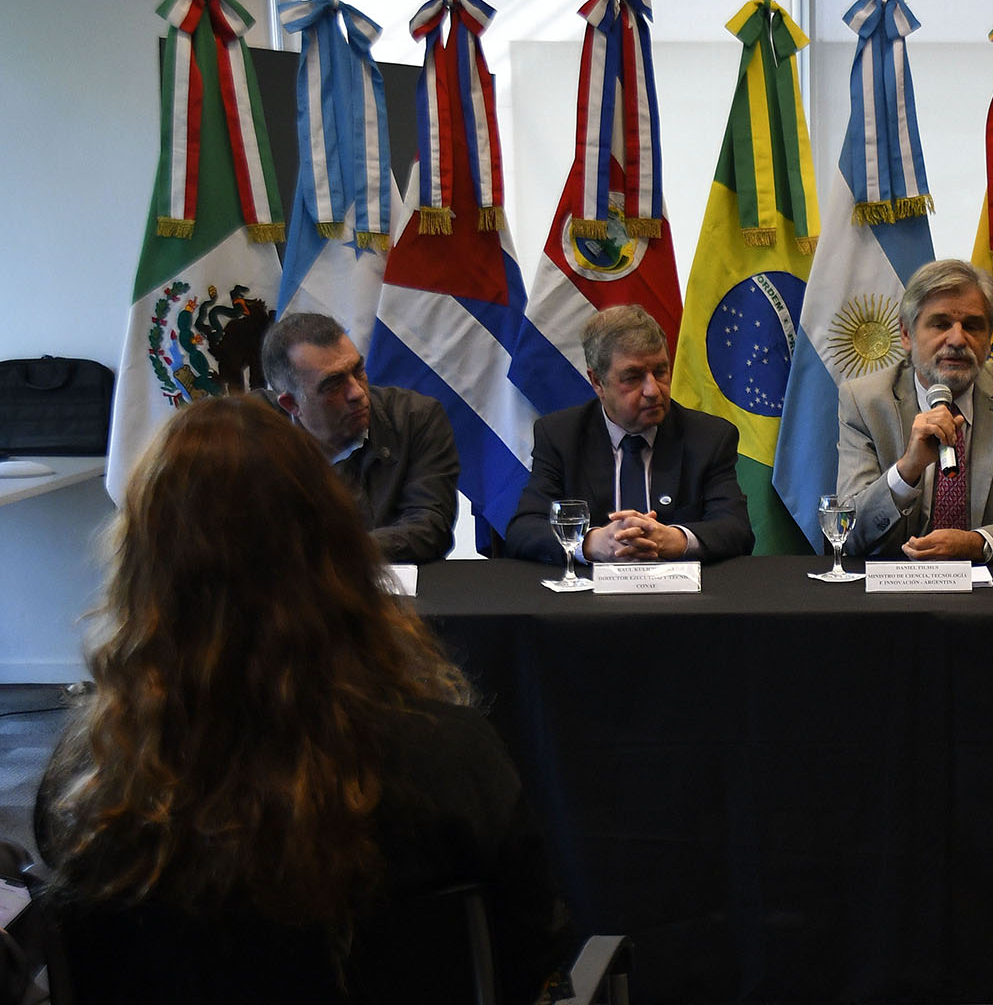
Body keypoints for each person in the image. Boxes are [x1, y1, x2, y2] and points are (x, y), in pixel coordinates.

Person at [34, 395, 571, 1001]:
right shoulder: (449, 759)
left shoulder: (87, 786)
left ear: (141, 569)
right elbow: (532, 956)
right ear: (339, 550)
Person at [836, 258, 993, 564]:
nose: (958, 340)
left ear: (989, 338)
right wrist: (907, 470)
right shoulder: (865, 402)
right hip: (893, 584)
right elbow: (848, 533)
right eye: (941, 324)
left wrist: (977, 543)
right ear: (906, 334)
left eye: (972, 326)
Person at [503, 304, 753, 564]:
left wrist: (676, 539)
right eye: (633, 377)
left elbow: (736, 529)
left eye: (660, 372)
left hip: (680, 588)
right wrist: (590, 543)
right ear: (597, 382)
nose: (653, 390)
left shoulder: (709, 437)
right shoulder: (560, 436)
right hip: (592, 589)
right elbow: (523, 530)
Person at [261, 312, 460, 563]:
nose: (357, 393)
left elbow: (430, 527)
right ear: (291, 404)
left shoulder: (415, 418)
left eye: (358, 371)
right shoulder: (249, 432)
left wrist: (322, 553)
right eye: (334, 384)